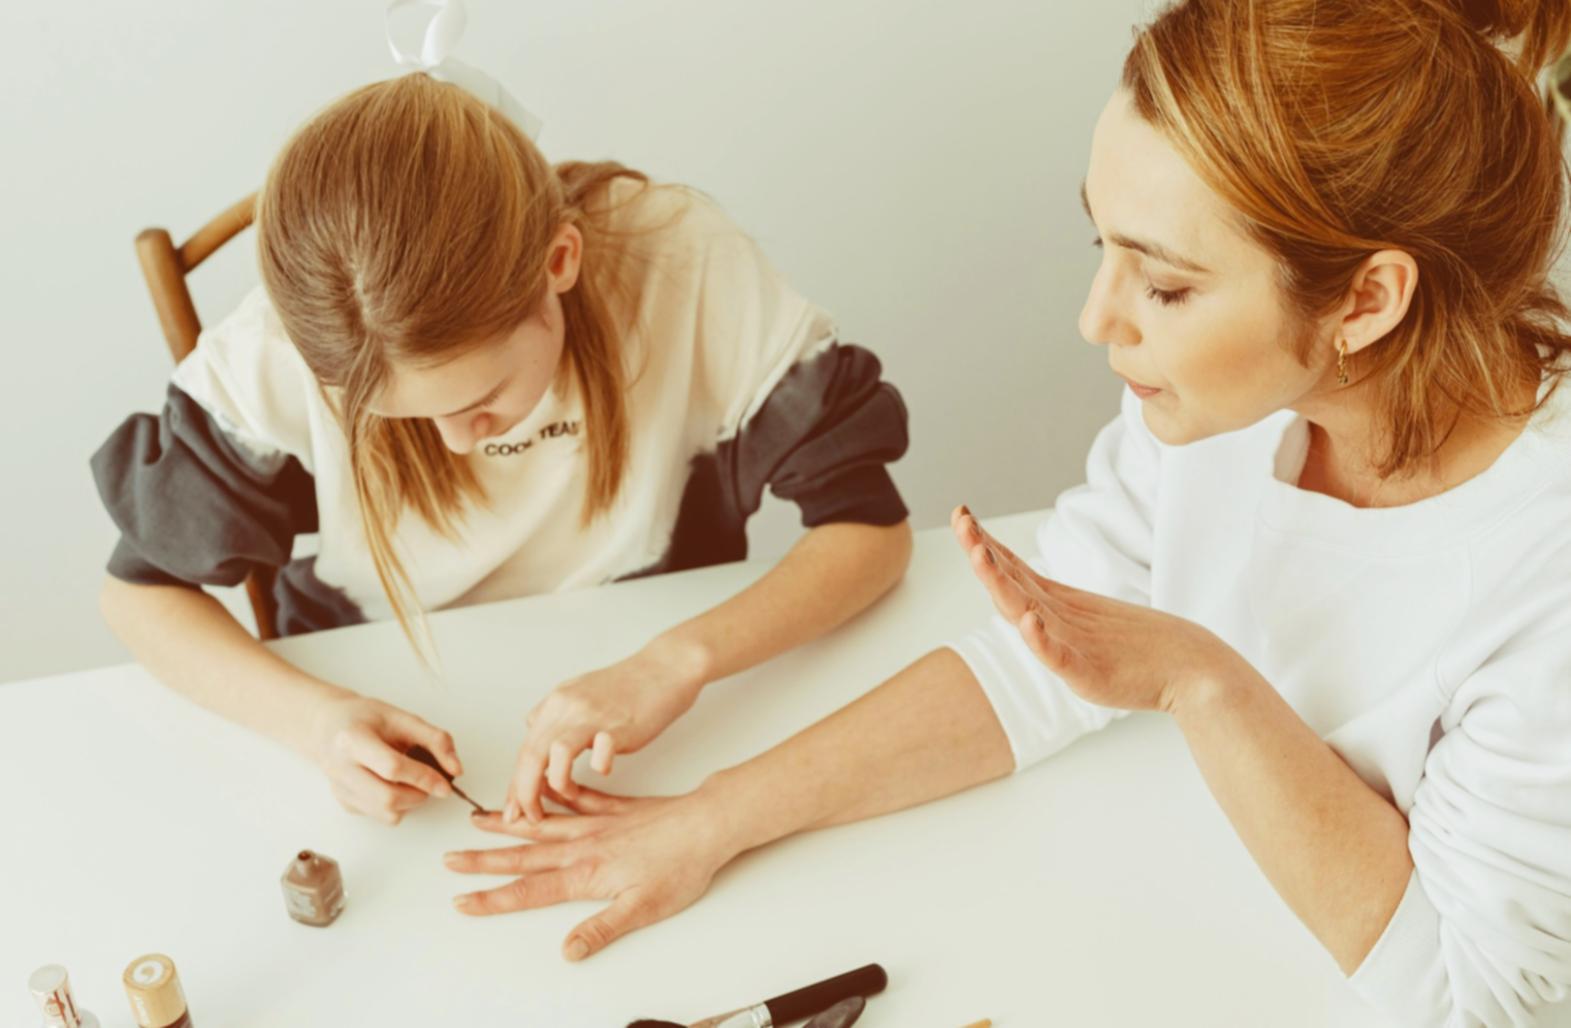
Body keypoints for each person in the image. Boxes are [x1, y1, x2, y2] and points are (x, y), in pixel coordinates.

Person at [443, 2, 1571, 1023]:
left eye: (1163, 285)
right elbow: (1047, 659)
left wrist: (1203, 679)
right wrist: (709, 817)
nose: (1096, 319)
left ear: (1365, 300)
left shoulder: (1541, 578)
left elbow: (1482, 999)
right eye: (1103, 247)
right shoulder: (1217, 407)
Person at [90, 33, 913, 829]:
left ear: (559, 262)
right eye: (406, 418)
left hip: (662, 692)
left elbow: (869, 534)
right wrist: (319, 722)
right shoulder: (276, 351)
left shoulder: (680, 264)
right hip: (389, 689)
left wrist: (676, 662)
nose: (455, 442)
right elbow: (140, 597)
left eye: (481, 396)